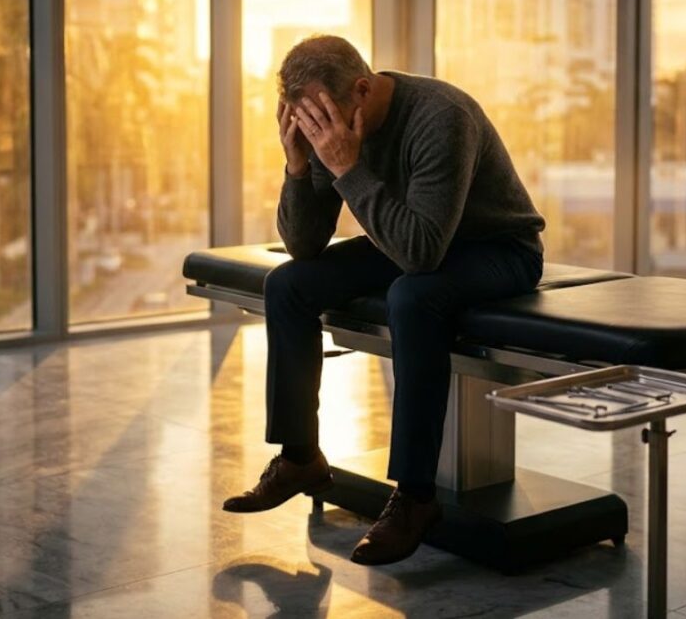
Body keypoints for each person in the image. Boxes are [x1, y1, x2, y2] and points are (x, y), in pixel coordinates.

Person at [222, 35, 546, 565]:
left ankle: (416, 498)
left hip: (496, 249)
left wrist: (349, 169)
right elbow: (304, 247)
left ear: (362, 89)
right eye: (301, 119)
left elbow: (421, 254)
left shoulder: (442, 116)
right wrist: (298, 167)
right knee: (287, 284)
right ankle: (300, 457)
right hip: (407, 239)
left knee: (413, 297)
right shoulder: (329, 125)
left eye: (319, 117)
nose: (314, 128)